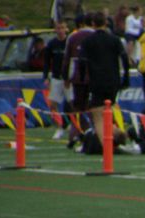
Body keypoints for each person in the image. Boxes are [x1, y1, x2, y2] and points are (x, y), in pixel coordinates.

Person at [79, 11, 131, 145]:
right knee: (111, 110)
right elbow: (125, 58)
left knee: (98, 115)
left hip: (96, 81)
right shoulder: (114, 39)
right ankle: (120, 135)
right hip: (113, 81)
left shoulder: (87, 41)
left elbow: (81, 62)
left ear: (92, 24)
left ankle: (106, 147)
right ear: (106, 23)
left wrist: (83, 79)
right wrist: (126, 77)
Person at [62, 12, 95, 149]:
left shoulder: (73, 37)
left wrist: (66, 77)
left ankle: (74, 135)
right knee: (94, 108)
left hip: (77, 78)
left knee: (78, 108)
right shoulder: (96, 35)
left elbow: (67, 59)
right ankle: (92, 134)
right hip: (94, 76)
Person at [43, 21, 73, 140]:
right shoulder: (51, 44)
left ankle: (72, 126)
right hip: (56, 77)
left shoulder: (70, 43)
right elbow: (47, 62)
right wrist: (45, 76)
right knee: (53, 104)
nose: (60, 30)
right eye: (58, 28)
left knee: (72, 103)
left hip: (69, 79)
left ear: (66, 29)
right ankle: (59, 127)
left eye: (62, 28)